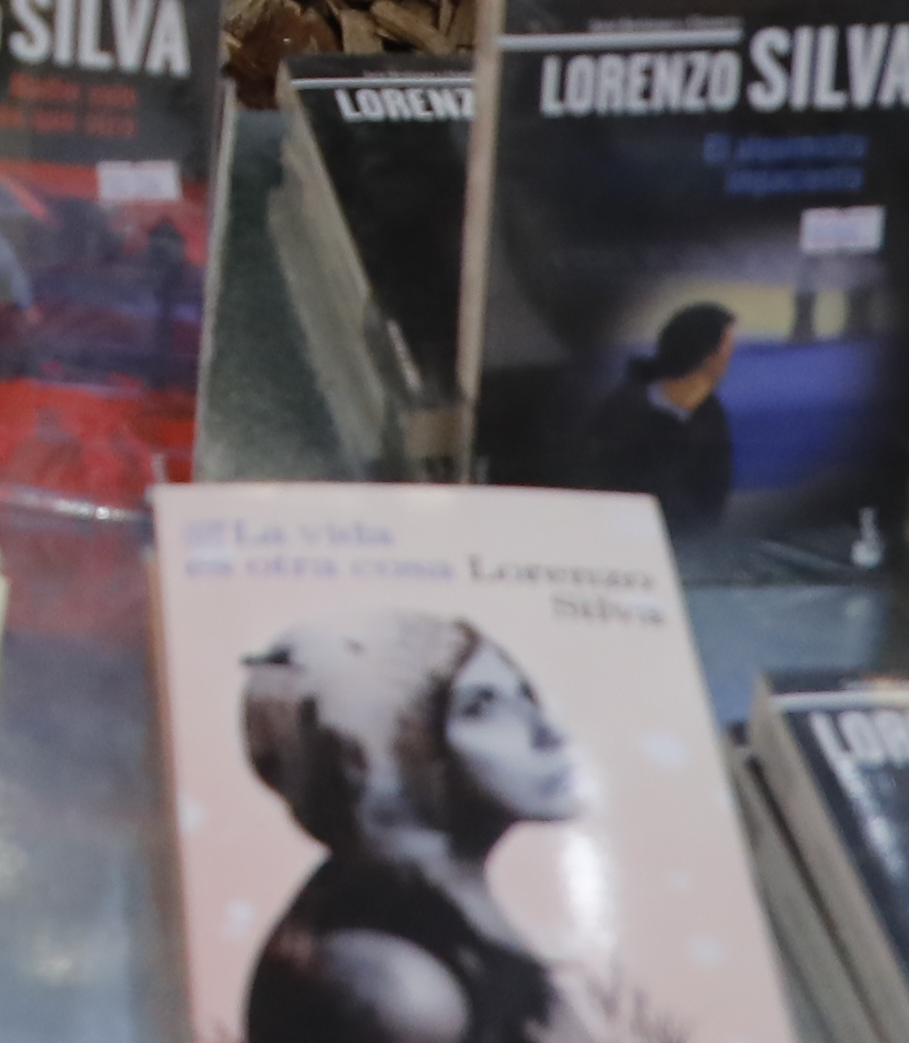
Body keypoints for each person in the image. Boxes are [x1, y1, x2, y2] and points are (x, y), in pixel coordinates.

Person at [235, 612, 600, 1043]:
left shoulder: (444, 916)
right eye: (482, 708)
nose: (547, 733)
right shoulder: (392, 982)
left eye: (525, 696)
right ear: (393, 753)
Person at [565, 301, 740, 534]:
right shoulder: (624, 408)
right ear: (707, 354)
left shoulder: (711, 417)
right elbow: (594, 479)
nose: (731, 354)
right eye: (727, 345)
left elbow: (712, 496)